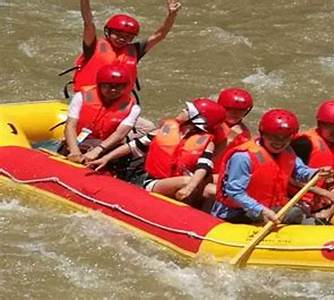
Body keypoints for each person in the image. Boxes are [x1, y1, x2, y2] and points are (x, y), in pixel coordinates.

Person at [87, 99, 226, 208]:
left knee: (210, 190)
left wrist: (190, 188)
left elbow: (203, 167)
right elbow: (134, 146)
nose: (182, 110)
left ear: (198, 119)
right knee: (187, 181)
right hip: (152, 181)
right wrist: (105, 158)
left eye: (187, 110)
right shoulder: (166, 129)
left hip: (183, 185)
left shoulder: (207, 141)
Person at [211, 109, 334, 225]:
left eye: (285, 138)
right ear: (263, 133)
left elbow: (300, 171)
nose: (279, 142)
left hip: (267, 208)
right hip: (235, 213)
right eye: (273, 136)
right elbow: (234, 192)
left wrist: (316, 172)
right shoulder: (243, 157)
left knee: (302, 215)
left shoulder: (288, 152)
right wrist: (261, 210)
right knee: (294, 213)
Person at [69, 0, 181, 94]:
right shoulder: (92, 46)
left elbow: (159, 35)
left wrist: (172, 15)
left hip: (116, 103)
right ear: (108, 32)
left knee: (149, 122)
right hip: (87, 100)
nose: (122, 39)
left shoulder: (135, 50)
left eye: (128, 37)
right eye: (117, 34)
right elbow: (88, 22)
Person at [63, 63, 140, 164]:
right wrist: (74, 150)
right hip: (77, 141)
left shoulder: (133, 108)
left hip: (106, 146)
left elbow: (120, 134)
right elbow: (70, 125)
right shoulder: (81, 97)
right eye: (108, 85)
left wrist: (97, 150)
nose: (113, 90)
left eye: (118, 86)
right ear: (100, 85)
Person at [212, 87, 254, 174]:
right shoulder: (212, 125)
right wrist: (230, 138)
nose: (235, 113)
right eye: (229, 109)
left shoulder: (244, 133)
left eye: (241, 110)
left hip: (223, 174)